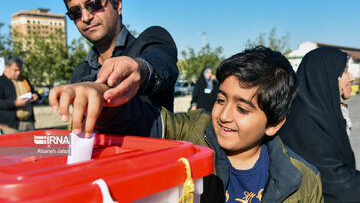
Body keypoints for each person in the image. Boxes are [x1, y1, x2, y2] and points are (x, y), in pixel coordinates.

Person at [49, 46, 323, 202]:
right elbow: (145, 121)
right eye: (220, 99)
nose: (224, 115)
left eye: (242, 108)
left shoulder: (304, 180)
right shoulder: (193, 131)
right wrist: (105, 99)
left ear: (274, 124)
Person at [60, 0, 178, 137]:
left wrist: (139, 69)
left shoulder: (150, 40)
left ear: (118, 4)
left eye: (94, 5)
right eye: (75, 12)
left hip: (155, 159)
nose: (85, 17)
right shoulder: (80, 74)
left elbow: (160, 63)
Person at [279, 47, 358, 202]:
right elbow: (336, 182)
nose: (352, 78)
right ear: (326, 76)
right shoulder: (304, 121)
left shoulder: (325, 112)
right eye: (345, 72)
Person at [0, 55, 39, 134]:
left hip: (28, 123)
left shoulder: (24, 80)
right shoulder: (1, 82)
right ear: (7, 67)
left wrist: (35, 96)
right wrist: (15, 103)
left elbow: (33, 92)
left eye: (20, 70)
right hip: (10, 126)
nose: (18, 73)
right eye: (15, 70)